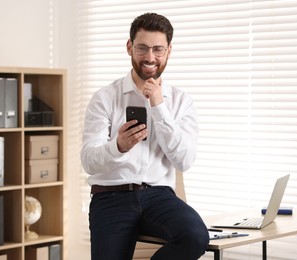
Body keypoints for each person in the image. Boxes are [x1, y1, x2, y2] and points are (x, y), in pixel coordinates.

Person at [81, 12, 209, 260]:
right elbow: (88, 161)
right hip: (110, 197)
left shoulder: (181, 102)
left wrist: (159, 107)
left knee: (194, 236)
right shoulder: (105, 98)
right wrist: (117, 146)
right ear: (129, 47)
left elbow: (185, 161)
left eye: (158, 49)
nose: (150, 57)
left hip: (158, 196)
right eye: (142, 48)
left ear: (169, 50)